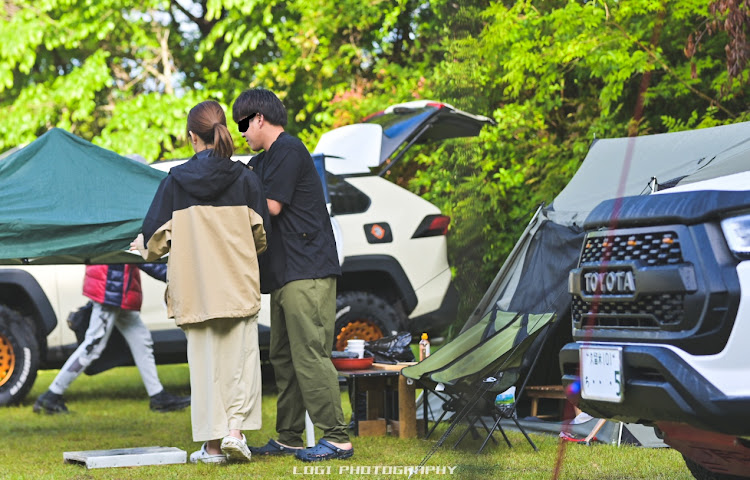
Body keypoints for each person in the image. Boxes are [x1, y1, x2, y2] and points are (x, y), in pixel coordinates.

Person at [132, 100, 269, 465]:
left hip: (195, 290)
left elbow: (152, 242)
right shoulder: (245, 178)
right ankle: (235, 433)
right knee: (239, 363)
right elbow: (260, 237)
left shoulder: (175, 181)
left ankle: (210, 447)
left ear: (192, 136)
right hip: (238, 285)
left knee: (205, 367)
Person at [232, 88, 353, 462]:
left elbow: (270, 205)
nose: (242, 133)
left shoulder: (288, 149)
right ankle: (289, 436)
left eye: (244, 125)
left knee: (310, 354)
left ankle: (336, 437)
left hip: (308, 271)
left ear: (260, 119)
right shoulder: (264, 160)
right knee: (283, 357)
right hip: (285, 274)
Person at [33, 264, 191, 414]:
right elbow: (142, 257)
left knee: (141, 341)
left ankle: (158, 396)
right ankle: (51, 395)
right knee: (92, 346)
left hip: (115, 285)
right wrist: (177, 276)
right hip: (111, 286)